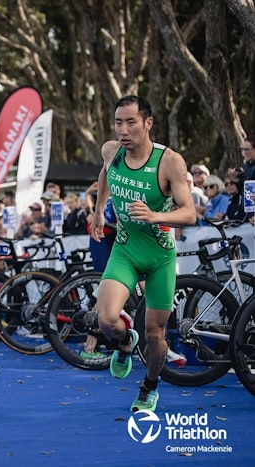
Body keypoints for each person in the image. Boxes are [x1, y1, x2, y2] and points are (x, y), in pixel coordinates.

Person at [91, 95, 195, 413]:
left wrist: (155, 216)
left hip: (160, 257)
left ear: (148, 123)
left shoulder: (169, 162)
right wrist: (98, 211)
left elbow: (190, 213)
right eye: (118, 123)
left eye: (131, 122)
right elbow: (105, 173)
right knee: (106, 319)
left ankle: (149, 386)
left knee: (155, 334)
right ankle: (125, 342)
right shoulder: (112, 151)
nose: (123, 130)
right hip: (125, 250)